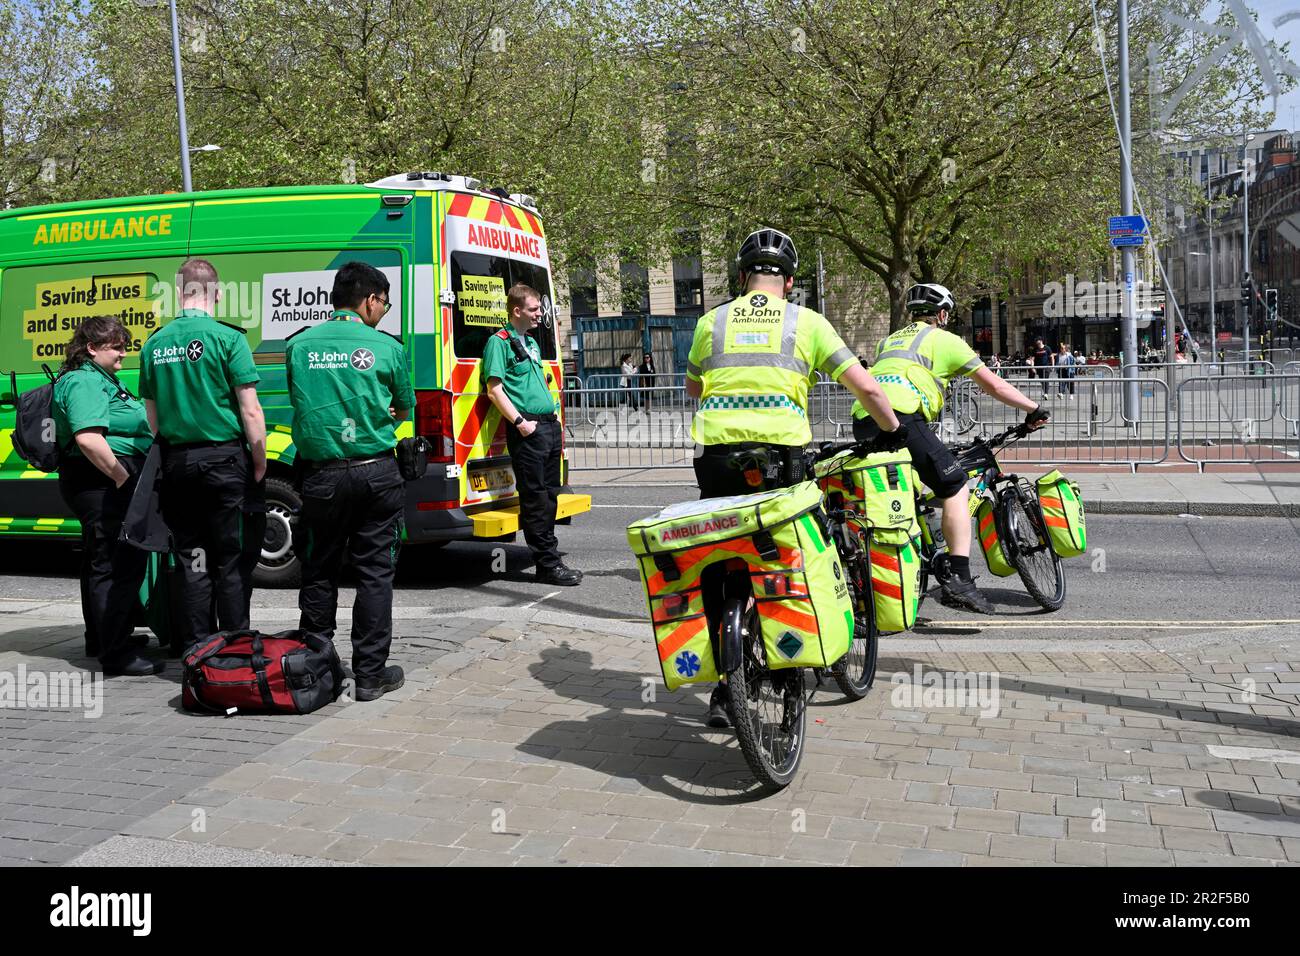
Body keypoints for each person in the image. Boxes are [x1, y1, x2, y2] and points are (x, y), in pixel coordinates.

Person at [685, 227, 903, 728]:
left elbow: (695, 386)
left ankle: (725, 686)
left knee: (722, 559)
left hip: (718, 457)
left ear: (742, 278)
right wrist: (892, 429)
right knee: (797, 549)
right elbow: (866, 386)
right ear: (788, 282)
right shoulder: (806, 322)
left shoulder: (711, 322)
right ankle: (801, 646)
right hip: (782, 458)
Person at [851, 282, 1049, 615]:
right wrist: (1033, 409)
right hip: (901, 417)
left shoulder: (890, 341)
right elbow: (994, 385)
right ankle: (959, 577)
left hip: (864, 416)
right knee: (954, 483)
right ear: (942, 314)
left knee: (907, 488)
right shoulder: (946, 340)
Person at [286, 261, 413, 701]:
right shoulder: (387, 347)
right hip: (376, 471)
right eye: (385, 303)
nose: (384, 311)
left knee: (319, 568)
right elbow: (403, 407)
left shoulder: (299, 346)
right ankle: (371, 677)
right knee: (375, 574)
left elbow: (301, 402)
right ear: (370, 300)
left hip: (321, 475)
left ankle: (315, 668)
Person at [140, 258, 267, 648]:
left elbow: (153, 419)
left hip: (179, 464)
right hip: (224, 462)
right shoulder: (229, 339)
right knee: (229, 558)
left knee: (193, 558)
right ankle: (235, 647)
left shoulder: (155, 343)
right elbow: (250, 409)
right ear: (218, 292)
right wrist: (259, 463)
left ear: (179, 293)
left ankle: (198, 649)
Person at [53, 315, 161, 676]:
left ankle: (103, 637)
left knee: (101, 562)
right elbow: (87, 438)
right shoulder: (83, 382)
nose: (124, 354)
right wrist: (122, 478)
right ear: (91, 348)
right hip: (101, 482)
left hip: (101, 481)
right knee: (116, 565)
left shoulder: (101, 379)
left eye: (125, 346)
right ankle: (116, 652)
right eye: (116, 346)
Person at [483, 284, 582, 586]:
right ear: (517, 311)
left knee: (551, 497)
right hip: (529, 430)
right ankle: (547, 565)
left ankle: (549, 557)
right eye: (534, 309)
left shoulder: (531, 342)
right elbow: (494, 389)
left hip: (547, 427)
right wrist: (520, 422)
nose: (541, 313)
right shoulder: (499, 343)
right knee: (536, 499)